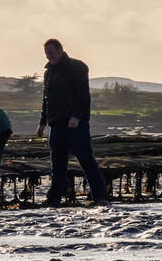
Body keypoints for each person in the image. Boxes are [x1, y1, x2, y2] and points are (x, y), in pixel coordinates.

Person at [37, 38, 111, 206]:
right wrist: (42, 122)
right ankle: (53, 199)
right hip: (56, 123)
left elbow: (83, 94)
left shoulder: (77, 67)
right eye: (47, 54)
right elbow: (46, 99)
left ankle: (100, 197)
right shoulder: (48, 73)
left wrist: (77, 116)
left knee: (86, 159)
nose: (49, 56)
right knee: (57, 164)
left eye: (51, 52)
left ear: (60, 50)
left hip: (76, 124)